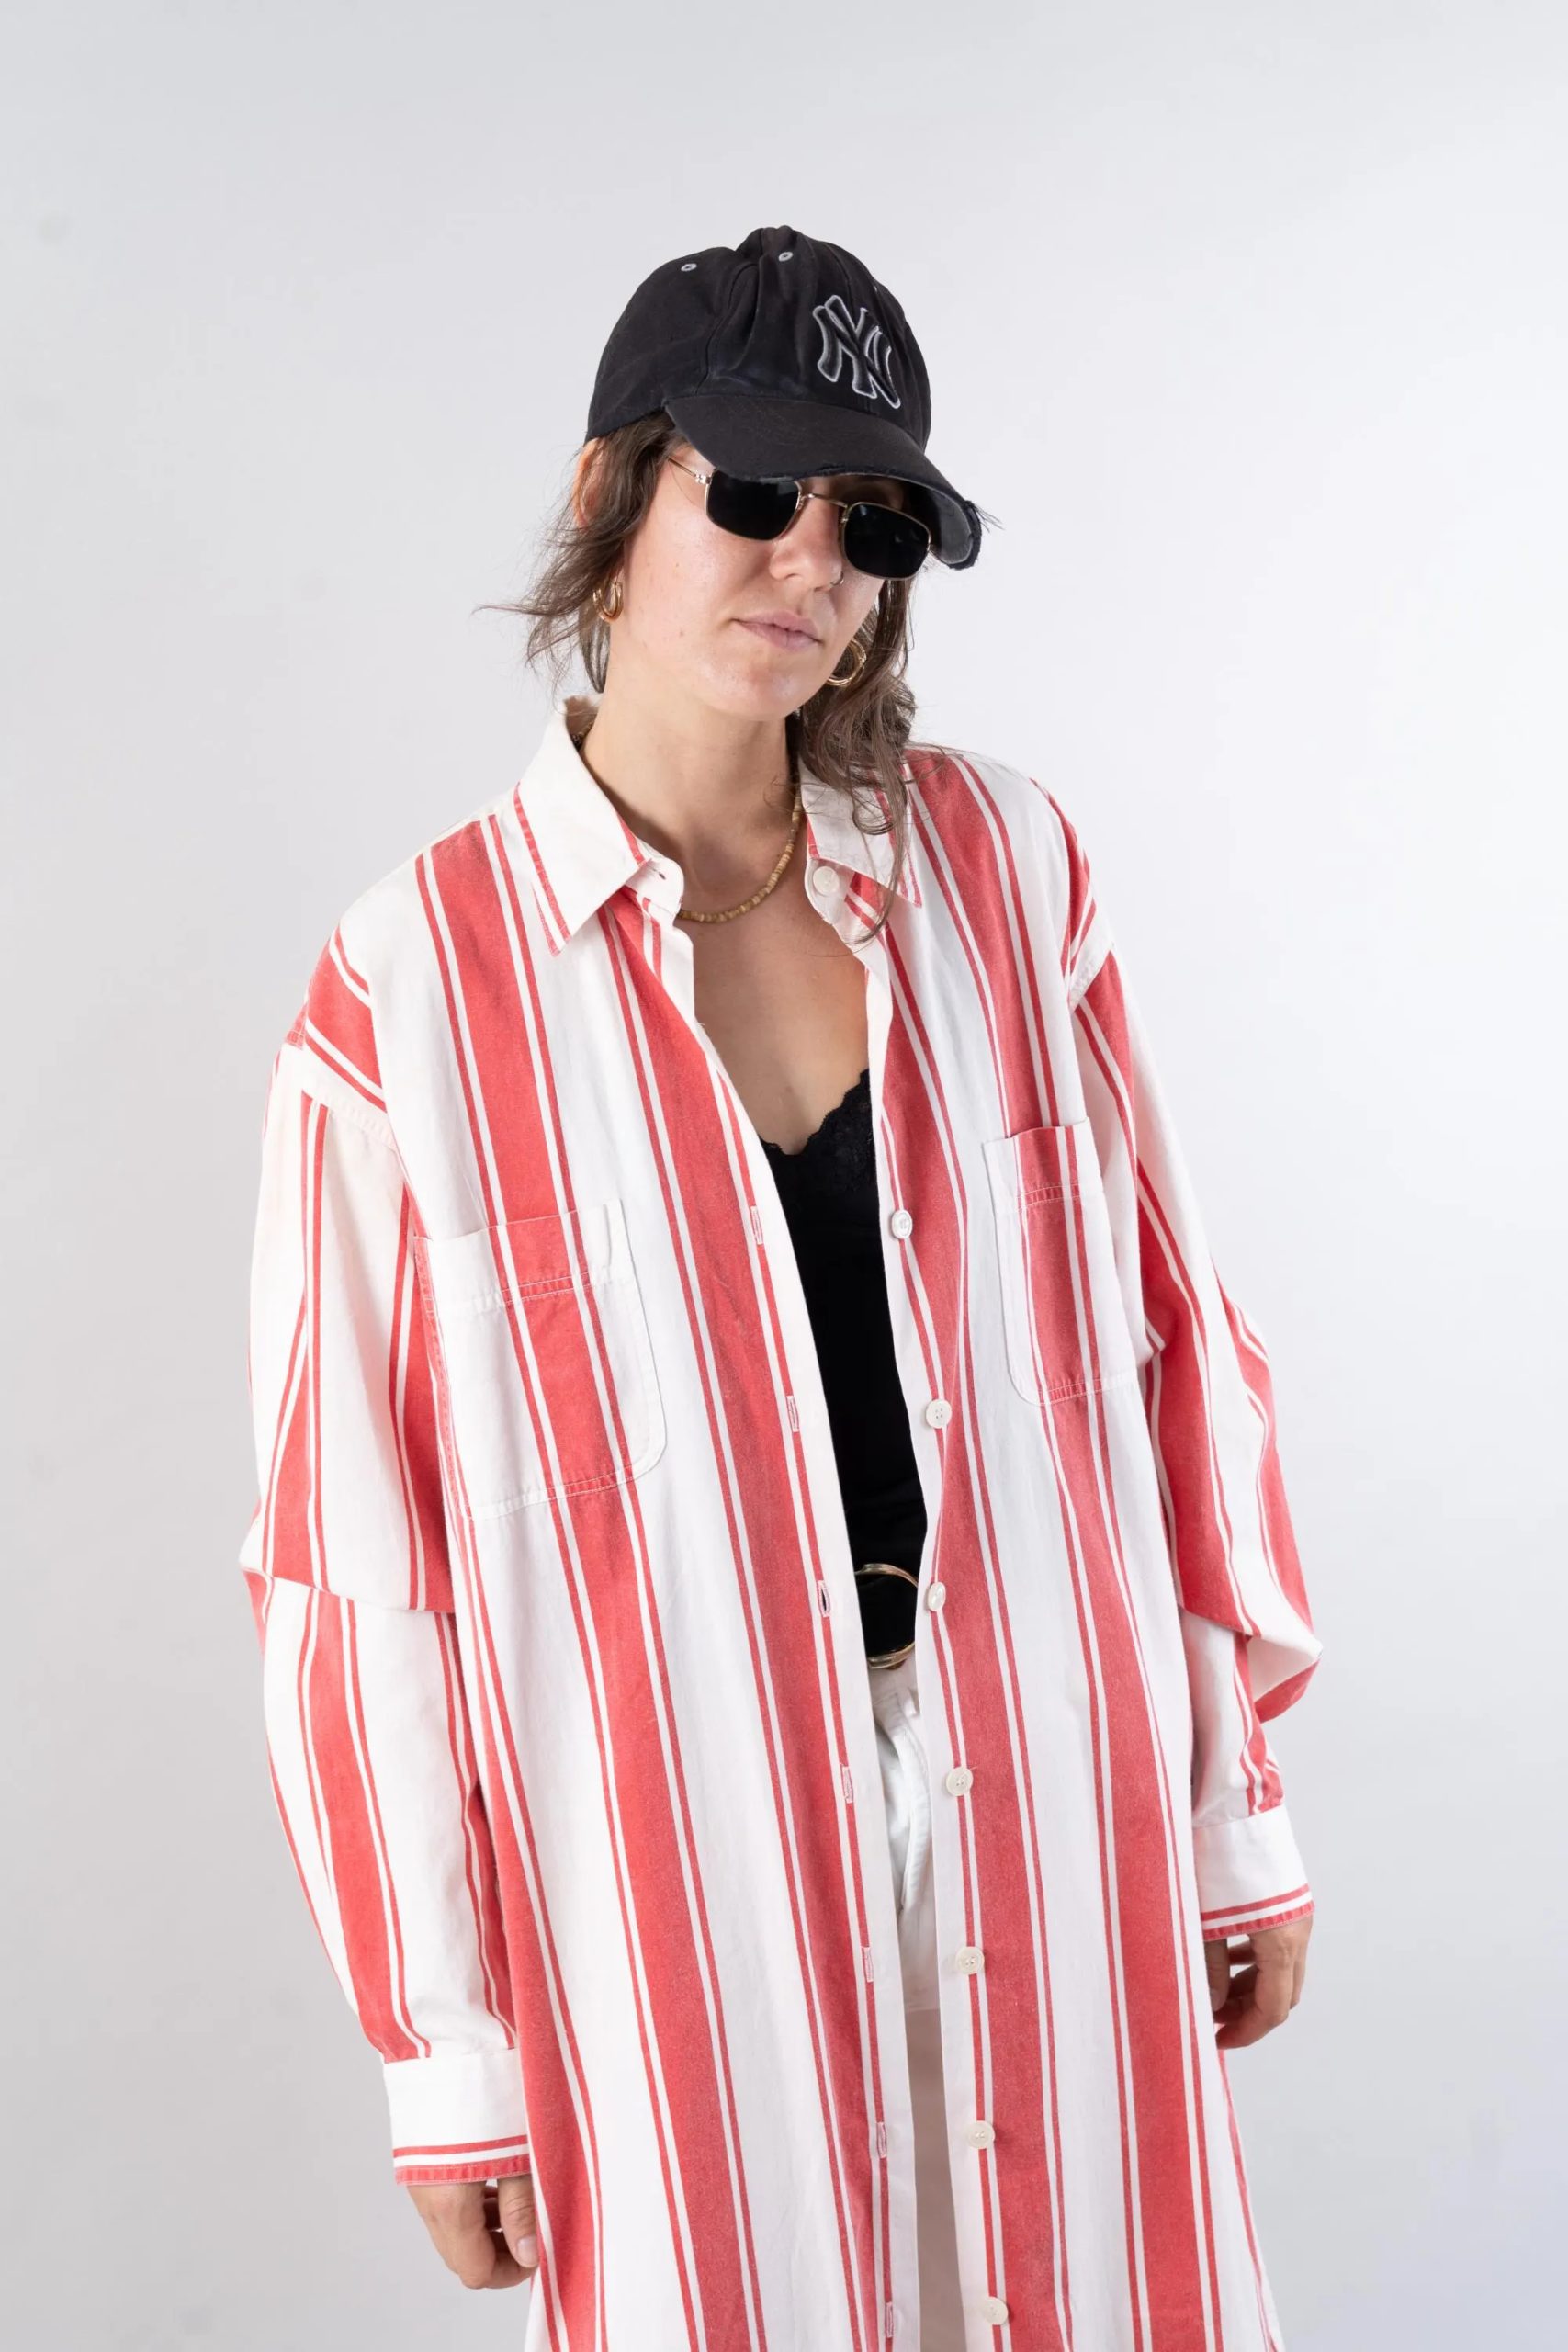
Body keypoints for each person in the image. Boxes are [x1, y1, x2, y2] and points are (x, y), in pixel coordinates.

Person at [237, 224, 1321, 2349]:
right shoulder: (408, 995)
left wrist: (1230, 1809)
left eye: (867, 520)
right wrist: (443, 2043)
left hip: (1048, 1777)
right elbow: (355, 1569)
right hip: (676, 1856)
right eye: (748, 489)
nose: (807, 560)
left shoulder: (1008, 872)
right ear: (606, 492)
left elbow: (1169, 1343)